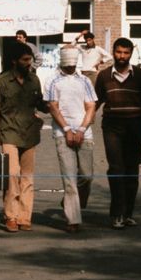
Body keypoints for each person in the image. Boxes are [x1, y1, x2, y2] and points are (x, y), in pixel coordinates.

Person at [0, 42, 49, 233]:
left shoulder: (34, 80)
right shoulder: (2, 81)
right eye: (25, 60)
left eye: (30, 59)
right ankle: (11, 216)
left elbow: (39, 103)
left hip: (29, 134)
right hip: (9, 133)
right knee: (12, 175)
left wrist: (53, 104)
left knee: (27, 178)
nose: (29, 63)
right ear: (14, 61)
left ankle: (24, 216)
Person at [94, 38, 141, 229]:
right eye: (119, 52)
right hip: (112, 126)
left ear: (131, 54)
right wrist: (81, 123)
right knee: (116, 169)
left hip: (135, 125)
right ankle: (116, 214)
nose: (122, 56)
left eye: (125, 53)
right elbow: (95, 102)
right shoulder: (104, 76)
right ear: (113, 52)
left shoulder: (139, 75)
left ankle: (128, 213)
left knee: (131, 171)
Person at [44, 46, 98, 233]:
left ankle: (72, 201)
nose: (70, 68)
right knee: (69, 180)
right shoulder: (52, 81)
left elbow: (91, 106)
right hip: (62, 133)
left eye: (73, 64)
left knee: (87, 175)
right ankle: (73, 220)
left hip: (85, 132)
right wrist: (66, 129)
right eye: (67, 65)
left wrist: (82, 128)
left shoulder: (85, 81)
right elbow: (53, 106)